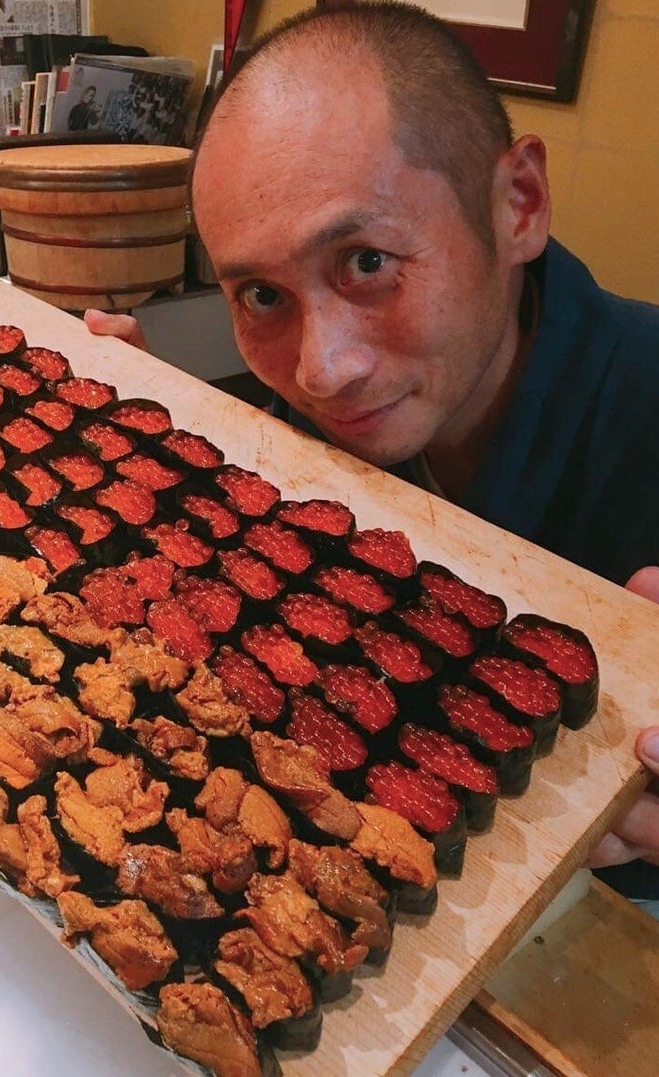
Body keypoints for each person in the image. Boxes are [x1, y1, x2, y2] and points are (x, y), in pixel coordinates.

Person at [84, 2, 659, 897]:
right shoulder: (297, 416)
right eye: (261, 295)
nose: (321, 370)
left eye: (365, 262)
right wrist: (161, 455)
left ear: (519, 204)